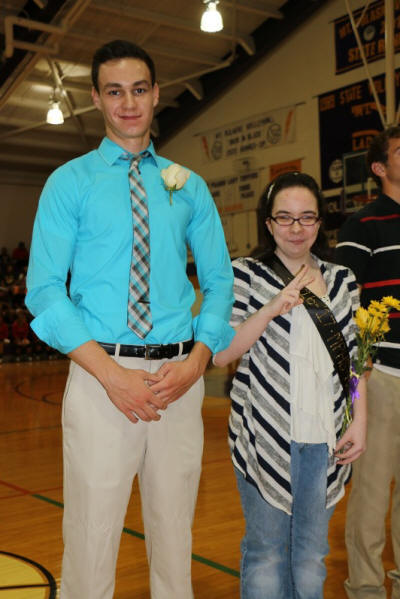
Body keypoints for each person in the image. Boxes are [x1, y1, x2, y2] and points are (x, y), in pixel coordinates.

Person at [26, 39, 234, 599]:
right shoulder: (69, 182)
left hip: (178, 381)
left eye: (139, 89)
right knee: (91, 539)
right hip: (101, 379)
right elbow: (44, 292)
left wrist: (197, 363)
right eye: (114, 91)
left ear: (156, 93)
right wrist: (112, 376)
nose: (128, 103)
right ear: (96, 98)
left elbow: (220, 284)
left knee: (175, 538)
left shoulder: (189, 185)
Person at [214, 171, 367, 599]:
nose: (296, 228)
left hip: (325, 437)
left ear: (320, 222)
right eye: (284, 217)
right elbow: (222, 354)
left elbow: (355, 362)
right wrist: (269, 309)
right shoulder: (246, 274)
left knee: (312, 556)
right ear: (268, 223)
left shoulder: (342, 279)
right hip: (265, 435)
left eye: (306, 217)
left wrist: (359, 420)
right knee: (266, 554)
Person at [335, 127, 400, 599]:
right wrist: (359, 373)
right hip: (380, 378)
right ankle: (365, 588)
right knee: (372, 493)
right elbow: (342, 300)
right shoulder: (363, 225)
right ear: (379, 168)